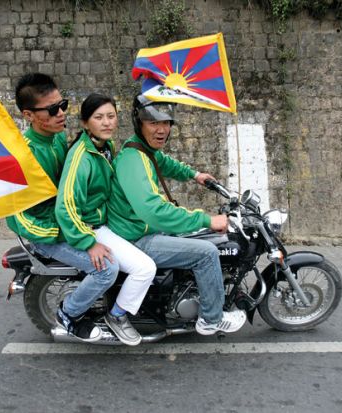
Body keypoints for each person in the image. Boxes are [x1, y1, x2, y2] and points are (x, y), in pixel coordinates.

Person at [106, 94, 247, 335]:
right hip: (137, 236)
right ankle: (211, 319)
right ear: (138, 123)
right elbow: (154, 211)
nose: (162, 130)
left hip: (141, 228)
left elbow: (166, 162)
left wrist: (195, 175)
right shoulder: (132, 160)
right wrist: (207, 219)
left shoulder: (142, 149)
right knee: (207, 252)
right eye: (153, 123)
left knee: (198, 236)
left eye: (166, 123)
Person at [6, 73, 105, 343]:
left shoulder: (59, 137)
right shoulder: (25, 157)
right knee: (106, 267)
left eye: (63, 104)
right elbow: (18, 218)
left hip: (71, 221)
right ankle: (69, 315)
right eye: (52, 110)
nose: (61, 113)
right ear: (28, 115)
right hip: (46, 234)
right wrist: (67, 233)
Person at [53, 93, 156, 346]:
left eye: (111, 116)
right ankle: (92, 314)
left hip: (106, 222)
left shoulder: (104, 146)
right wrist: (89, 242)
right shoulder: (81, 158)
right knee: (144, 268)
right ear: (86, 123)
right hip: (90, 228)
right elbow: (65, 207)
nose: (107, 122)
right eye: (99, 117)